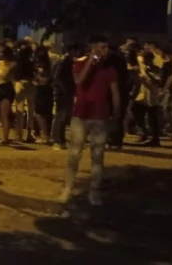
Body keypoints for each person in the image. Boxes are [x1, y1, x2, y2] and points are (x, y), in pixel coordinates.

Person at [61, 35, 120, 207]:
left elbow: (115, 92)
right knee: (74, 153)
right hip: (81, 114)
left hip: (100, 116)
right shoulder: (80, 63)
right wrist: (90, 63)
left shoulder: (110, 69)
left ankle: (95, 191)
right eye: (102, 47)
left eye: (106, 48)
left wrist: (116, 114)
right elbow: (79, 81)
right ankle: (68, 187)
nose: (105, 51)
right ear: (92, 47)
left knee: (98, 155)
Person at [51, 43, 79, 150]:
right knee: (60, 116)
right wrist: (63, 89)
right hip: (63, 93)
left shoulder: (68, 61)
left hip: (67, 92)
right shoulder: (64, 61)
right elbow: (57, 77)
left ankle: (60, 139)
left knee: (63, 116)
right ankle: (57, 139)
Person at [0, 47, 17, 144]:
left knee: (4, 114)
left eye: (2, 52)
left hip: (6, 88)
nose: (0, 54)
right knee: (0, 113)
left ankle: (5, 138)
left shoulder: (12, 64)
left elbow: (9, 77)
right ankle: (6, 134)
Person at [32, 45, 53, 144]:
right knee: (43, 113)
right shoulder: (47, 64)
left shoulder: (42, 65)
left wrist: (36, 77)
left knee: (39, 113)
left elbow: (44, 80)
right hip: (46, 90)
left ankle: (44, 135)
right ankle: (45, 134)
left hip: (42, 90)